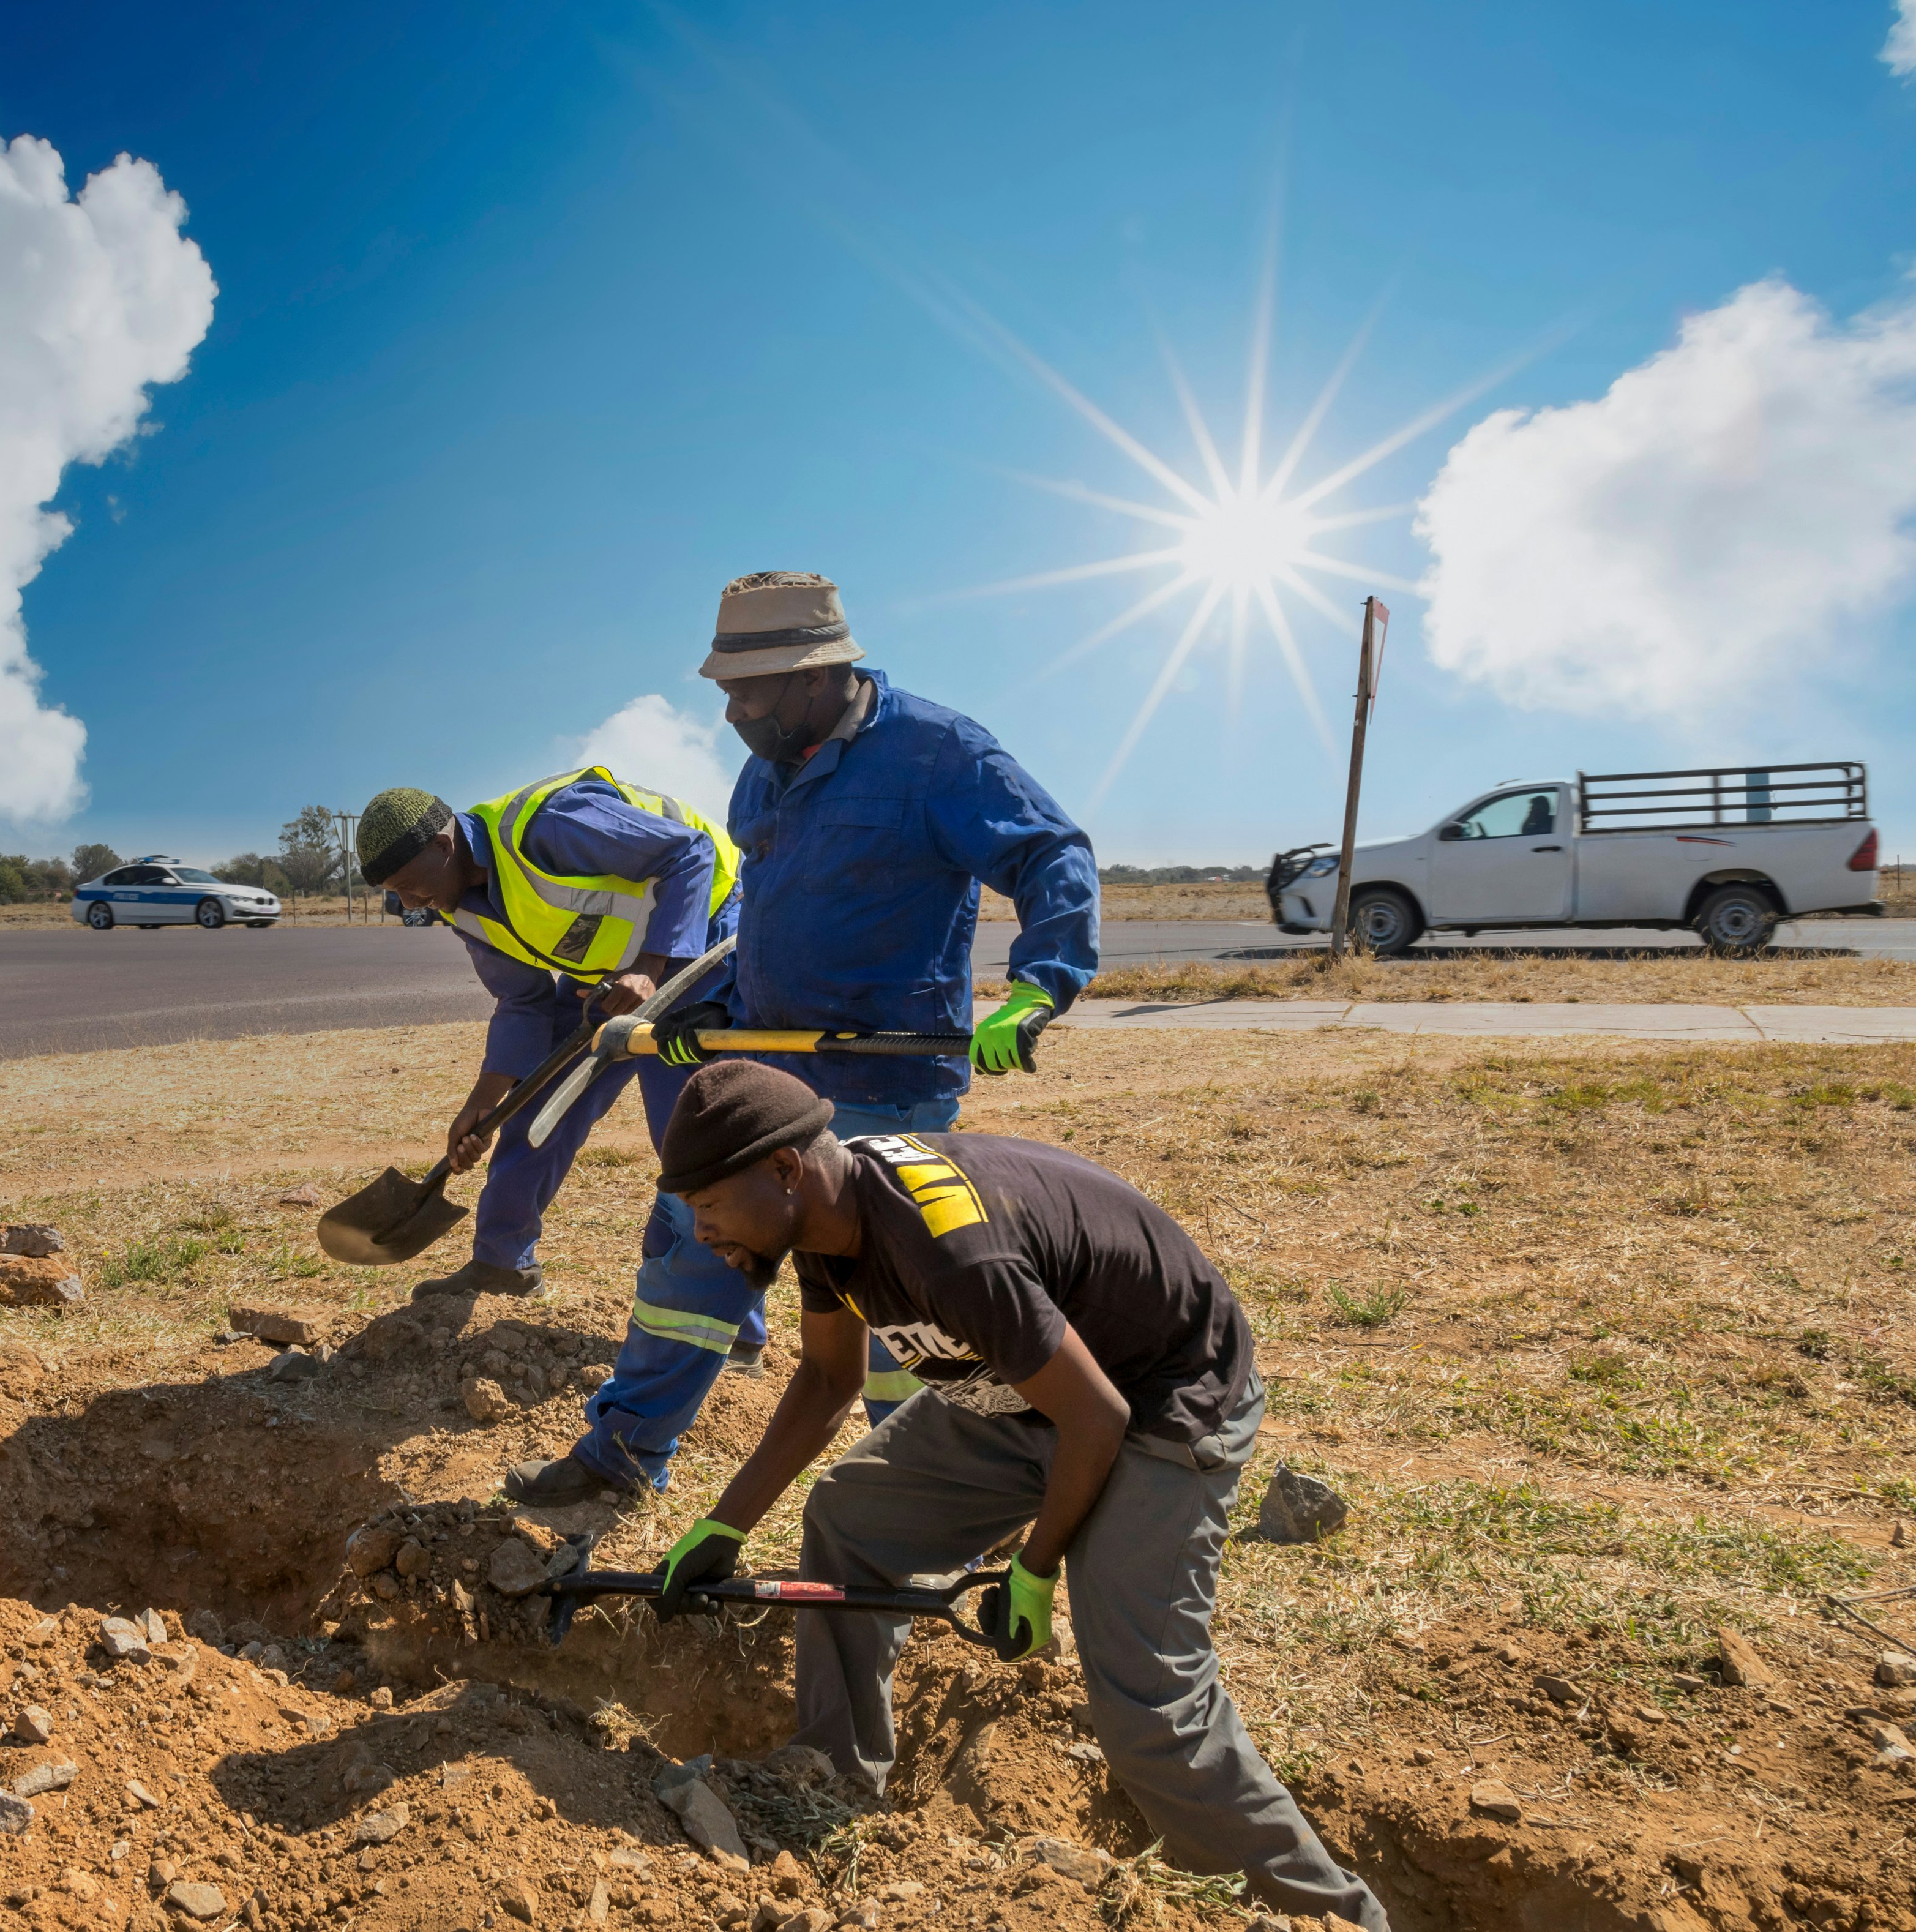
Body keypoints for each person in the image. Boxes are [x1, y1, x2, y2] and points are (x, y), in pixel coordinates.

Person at [650, 1061, 1390, 1932]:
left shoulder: (949, 1250)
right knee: (849, 1519)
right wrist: (723, 1524)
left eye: (709, 1208)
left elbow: (1099, 1418)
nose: (699, 1232)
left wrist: (1034, 1570)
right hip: (1026, 1390)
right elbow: (822, 1378)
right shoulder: (821, 1219)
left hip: (1154, 1402)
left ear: (782, 1171)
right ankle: (833, 1776)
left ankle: (1334, 1920)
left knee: (1150, 1711)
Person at [504, 569, 1100, 1508]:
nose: (733, 712)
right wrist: (710, 1005)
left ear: (820, 674)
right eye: (726, 691)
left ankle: (927, 1497)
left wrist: (1037, 987)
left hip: (883, 1079)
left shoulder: (938, 754)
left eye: (752, 691)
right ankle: (621, 1457)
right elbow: (767, 918)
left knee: (898, 1307)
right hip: (769, 1067)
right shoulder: (763, 774)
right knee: (690, 1253)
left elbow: (1048, 852)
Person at [357, 774, 748, 1339]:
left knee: (686, 1133)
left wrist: (650, 967)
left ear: (443, 847)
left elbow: (691, 852)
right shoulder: (457, 904)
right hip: (616, 972)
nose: (408, 903)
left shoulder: (550, 827)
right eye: (394, 893)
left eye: (408, 885)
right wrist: (485, 1101)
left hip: (700, 937)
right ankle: (502, 1263)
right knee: (537, 1106)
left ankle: (733, 1332)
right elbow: (522, 999)